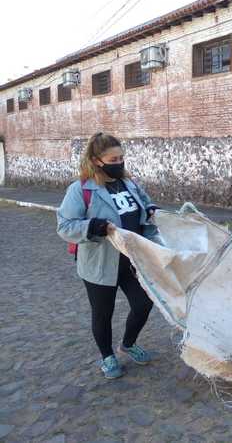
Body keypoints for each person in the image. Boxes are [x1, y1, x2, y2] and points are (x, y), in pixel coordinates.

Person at [57, 132, 161, 378]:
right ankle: (107, 357)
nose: (119, 163)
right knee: (103, 313)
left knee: (144, 303)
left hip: (132, 260)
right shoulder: (81, 189)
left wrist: (152, 211)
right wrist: (93, 227)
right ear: (96, 160)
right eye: (113, 159)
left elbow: (146, 204)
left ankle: (128, 343)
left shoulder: (130, 184)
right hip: (100, 264)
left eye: (121, 158)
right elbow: (65, 226)